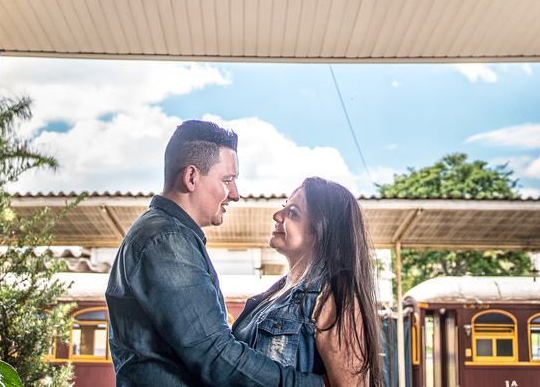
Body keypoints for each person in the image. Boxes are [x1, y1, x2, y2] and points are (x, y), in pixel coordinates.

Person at [107, 120, 323, 387]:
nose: (235, 194)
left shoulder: (171, 236)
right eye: (227, 180)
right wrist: (314, 385)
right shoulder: (167, 241)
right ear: (191, 177)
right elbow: (216, 356)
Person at [232, 177, 382, 387]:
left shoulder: (334, 296)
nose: (277, 215)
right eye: (284, 207)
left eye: (292, 213)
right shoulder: (271, 297)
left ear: (322, 231)